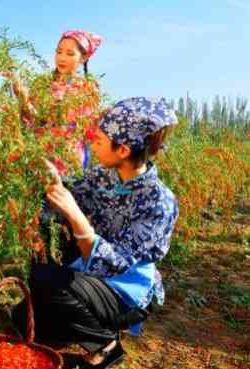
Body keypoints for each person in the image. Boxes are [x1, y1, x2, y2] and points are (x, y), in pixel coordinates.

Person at [11, 97, 180, 368]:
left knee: (47, 279)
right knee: (22, 316)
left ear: (123, 150)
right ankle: (76, 319)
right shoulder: (104, 176)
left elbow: (114, 264)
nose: (92, 144)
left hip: (125, 290)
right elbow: (63, 192)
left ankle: (106, 345)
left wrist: (77, 217)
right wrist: (46, 178)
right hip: (90, 272)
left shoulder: (158, 202)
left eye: (99, 140)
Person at [12, 29, 103, 171]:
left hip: (70, 155)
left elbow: (87, 128)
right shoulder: (41, 84)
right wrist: (22, 99)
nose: (62, 58)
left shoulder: (88, 88)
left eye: (70, 54)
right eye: (59, 52)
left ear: (83, 58)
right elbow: (33, 121)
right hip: (42, 151)